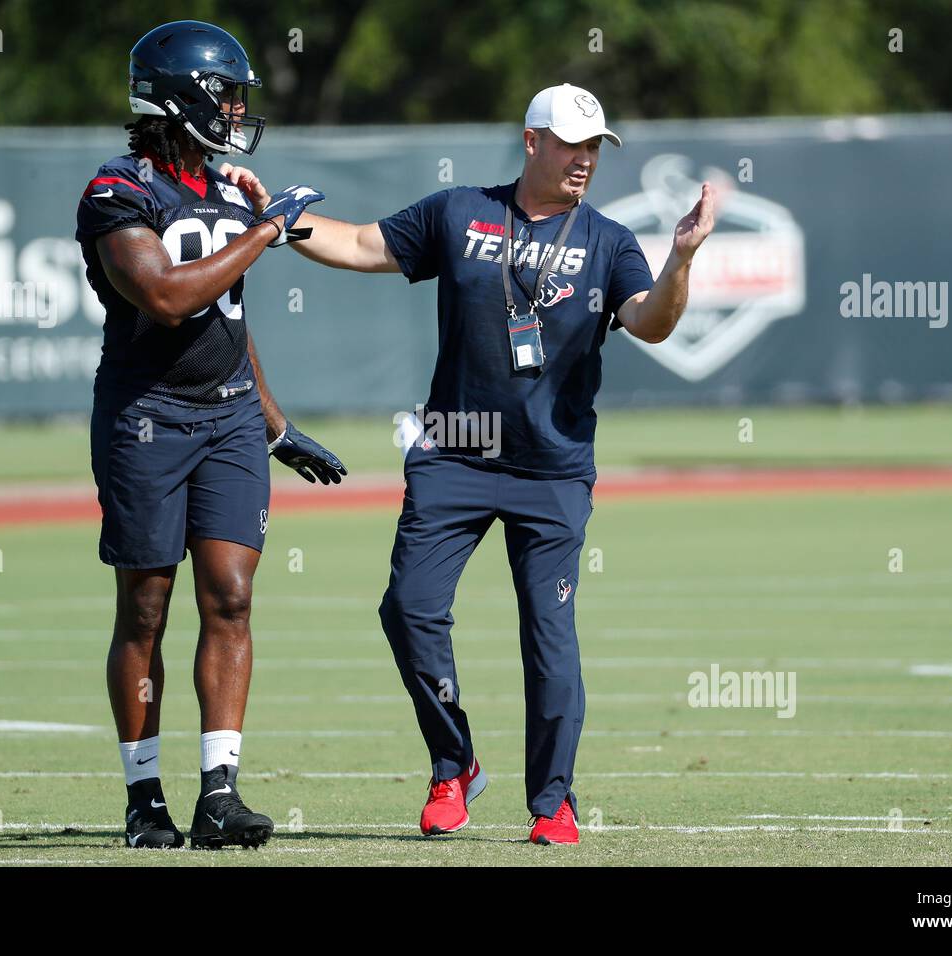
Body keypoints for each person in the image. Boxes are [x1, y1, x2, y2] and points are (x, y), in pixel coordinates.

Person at [222, 83, 713, 845]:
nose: (584, 160)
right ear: (531, 141)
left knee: (549, 636)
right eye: (571, 144)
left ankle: (553, 802)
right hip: (455, 449)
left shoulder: (611, 240)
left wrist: (681, 258)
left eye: (595, 148)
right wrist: (276, 225)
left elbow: (652, 323)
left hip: (552, 466)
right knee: (409, 609)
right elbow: (358, 244)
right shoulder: (459, 212)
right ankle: (454, 764)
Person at [75, 20, 344, 850]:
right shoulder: (116, 191)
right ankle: (143, 795)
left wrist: (275, 425)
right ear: (180, 95)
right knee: (146, 609)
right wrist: (269, 230)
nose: (236, 109)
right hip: (147, 416)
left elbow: (229, 320)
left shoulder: (229, 189)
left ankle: (219, 791)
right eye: (226, 94)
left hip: (228, 415)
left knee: (230, 595)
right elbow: (167, 296)